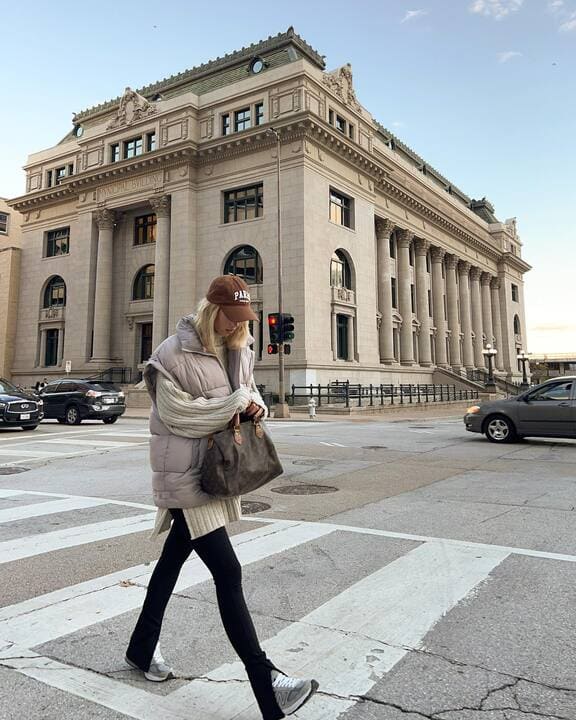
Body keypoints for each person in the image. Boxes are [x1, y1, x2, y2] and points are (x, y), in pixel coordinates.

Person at [125, 275, 318, 719]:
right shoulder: (170, 353)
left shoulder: (239, 350)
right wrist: (234, 404)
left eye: (242, 320)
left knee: (172, 565)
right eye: (230, 319)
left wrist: (255, 405)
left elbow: (248, 393)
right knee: (228, 573)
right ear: (212, 310)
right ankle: (267, 685)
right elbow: (178, 416)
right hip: (187, 473)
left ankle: (140, 648)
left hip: (214, 472)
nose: (237, 327)